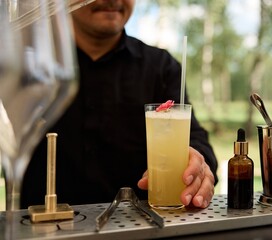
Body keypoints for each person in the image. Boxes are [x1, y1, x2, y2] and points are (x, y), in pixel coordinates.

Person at [21, 0, 218, 209]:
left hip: (143, 224)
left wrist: (198, 166)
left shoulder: (161, 68)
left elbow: (196, 140)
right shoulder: (22, 67)